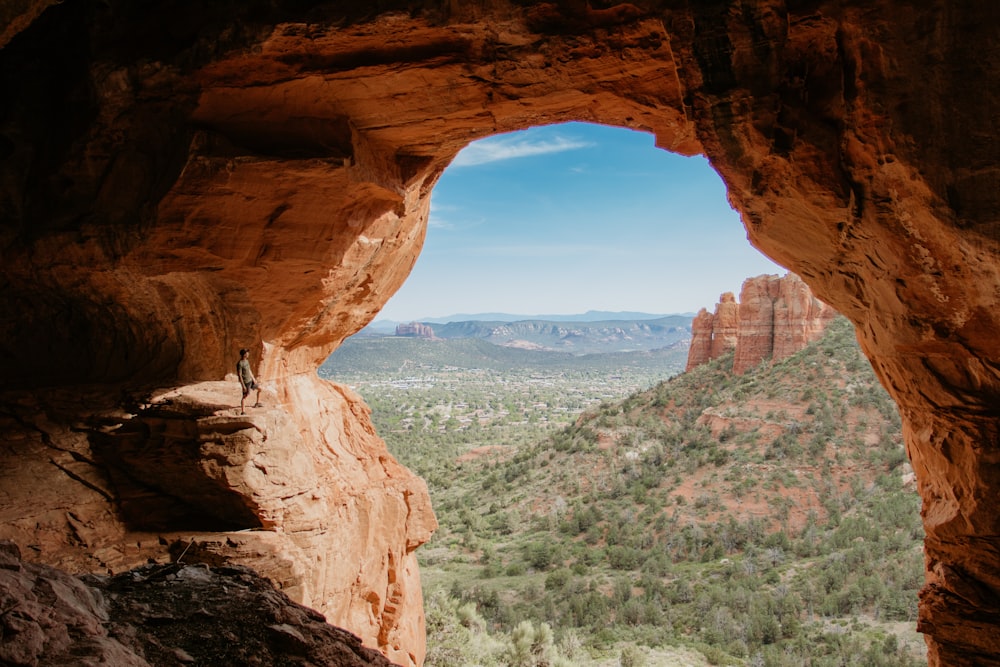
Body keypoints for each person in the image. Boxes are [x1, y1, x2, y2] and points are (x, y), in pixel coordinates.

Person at [237, 348, 261, 414]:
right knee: (245, 396)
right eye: (247, 353)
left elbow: (249, 370)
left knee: (260, 389)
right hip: (246, 382)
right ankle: (243, 411)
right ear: (244, 354)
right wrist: (243, 385)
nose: (248, 354)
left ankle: (257, 403)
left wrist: (253, 379)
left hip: (250, 380)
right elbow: (240, 375)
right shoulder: (240, 363)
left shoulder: (246, 361)